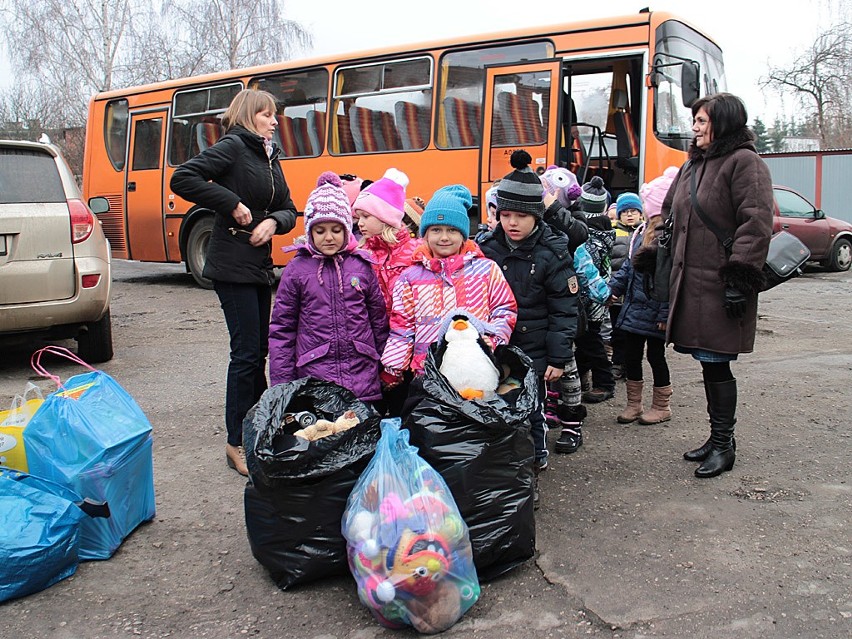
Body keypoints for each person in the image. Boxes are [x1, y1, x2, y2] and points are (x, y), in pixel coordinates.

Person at [170, 89, 297, 476]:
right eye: (267, 114)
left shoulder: (269, 155)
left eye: (275, 115)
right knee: (245, 355)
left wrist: (274, 222)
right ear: (248, 115)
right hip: (231, 265)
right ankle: (236, 441)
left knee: (259, 350)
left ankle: (260, 427)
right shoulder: (233, 146)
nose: (274, 121)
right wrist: (230, 203)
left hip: (258, 265)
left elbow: (289, 208)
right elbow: (183, 177)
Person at [658, 92, 773, 478]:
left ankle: (724, 445)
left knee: (717, 363)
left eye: (702, 121)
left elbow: (755, 222)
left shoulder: (745, 162)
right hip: (690, 281)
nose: (694, 127)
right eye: (695, 120)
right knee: (708, 362)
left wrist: (740, 276)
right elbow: (668, 212)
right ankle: (717, 439)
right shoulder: (692, 165)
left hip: (721, 285)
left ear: (722, 124)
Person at [478, 150, 580, 506]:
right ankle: (505, 464)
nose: (512, 223)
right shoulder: (486, 248)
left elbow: (565, 311)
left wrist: (559, 356)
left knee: (531, 409)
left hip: (536, 348)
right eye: (506, 215)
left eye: (521, 215)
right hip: (497, 347)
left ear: (536, 216)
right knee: (500, 405)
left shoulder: (553, 253)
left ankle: (535, 461)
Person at [268, 172, 388, 405]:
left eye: (336, 229)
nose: (329, 237)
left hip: (362, 376)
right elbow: (282, 330)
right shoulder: (297, 270)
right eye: (320, 231)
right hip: (316, 377)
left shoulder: (361, 266)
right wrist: (283, 385)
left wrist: (387, 367)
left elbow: (378, 322)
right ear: (309, 232)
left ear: (346, 229)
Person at [381, 185, 517, 381]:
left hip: (477, 367)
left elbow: (504, 309)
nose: (444, 237)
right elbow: (403, 326)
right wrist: (393, 367)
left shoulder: (486, 270)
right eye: (436, 230)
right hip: (428, 369)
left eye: (452, 230)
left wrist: (493, 339)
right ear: (425, 235)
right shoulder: (410, 277)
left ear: (463, 235)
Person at [608, 176, 675, 425]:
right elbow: (628, 266)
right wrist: (614, 288)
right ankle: (634, 404)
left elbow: (670, 280)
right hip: (634, 307)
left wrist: (665, 314)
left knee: (656, 357)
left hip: (656, 310)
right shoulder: (639, 233)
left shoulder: (669, 236)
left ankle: (661, 406)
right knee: (632, 356)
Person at [353, 168, 418, 415]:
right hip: (373, 339)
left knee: (404, 406)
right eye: (358, 216)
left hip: (405, 342)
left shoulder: (413, 253)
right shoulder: (361, 253)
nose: (359, 223)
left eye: (366, 216)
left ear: (385, 218)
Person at [574, 176, 616, 403]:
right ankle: (583, 378)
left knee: (591, 343)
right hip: (598, 298)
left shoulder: (588, 237)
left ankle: (605, 383)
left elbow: (586, 271)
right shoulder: (604, 230)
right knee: (585, 343)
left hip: (590, 300)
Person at [609, 191, 646, 380]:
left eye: (633, 211)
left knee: (632, 333)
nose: (629, 215)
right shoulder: (612, 232)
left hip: (636, 294)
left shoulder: (646, 233)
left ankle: (629, 365)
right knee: (616, 332)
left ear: (641, 213)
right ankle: (617, 362)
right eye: (625, 212)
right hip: (618, 292)